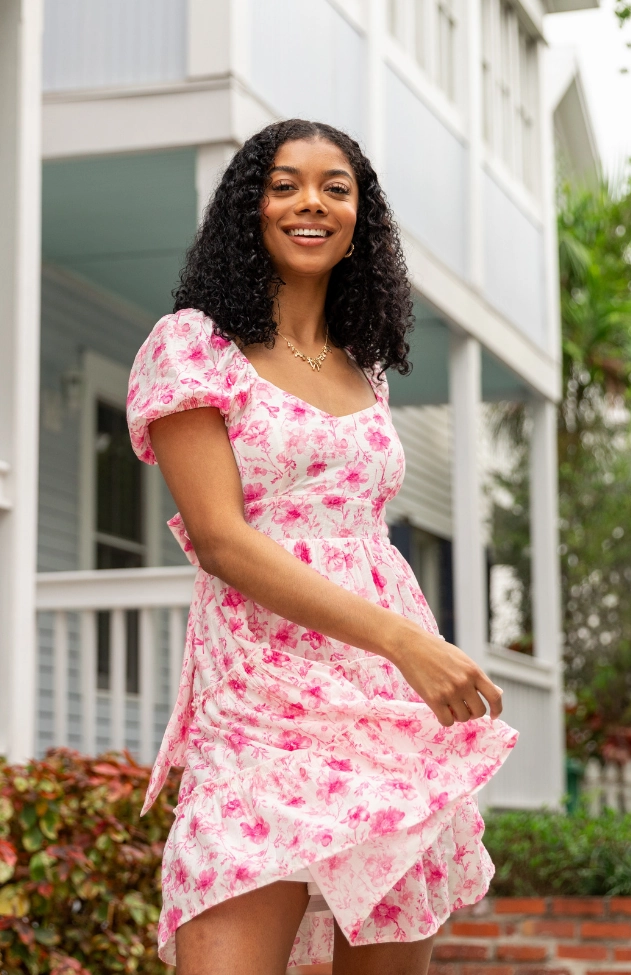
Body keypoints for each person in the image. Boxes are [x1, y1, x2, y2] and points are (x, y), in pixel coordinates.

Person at [127, 118, 517, 975]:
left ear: (359, 220)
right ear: (249, 209)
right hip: (264, 695)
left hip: (382, 703)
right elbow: (224, 540)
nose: (312, 202)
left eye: (335, 187)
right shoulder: (196, 347)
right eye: (284, 184)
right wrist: (409, 641)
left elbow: (361, 527)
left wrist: (402, 649)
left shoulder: (361, 365)